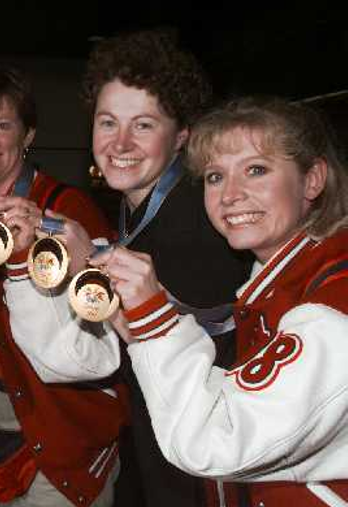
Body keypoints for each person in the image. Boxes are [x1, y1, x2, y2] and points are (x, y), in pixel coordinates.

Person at [92, 96, 348, 505]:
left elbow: (216, 438)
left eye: (256, 170)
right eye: (215, 177)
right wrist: (143, 332)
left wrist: (154, 320)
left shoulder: (333, 305)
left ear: (312, 179)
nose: (230, 195)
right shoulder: (279, 282)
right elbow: (241, 400)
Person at [67, 29, 250, 506]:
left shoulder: (200, 218)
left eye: (143, 125)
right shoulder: (141, 209)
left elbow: (209, 349)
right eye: (108, 123)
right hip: (162, 436)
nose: (120, 142)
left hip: (206, 454)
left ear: (182, 136)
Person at [0, 60, 128, 507]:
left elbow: (107, 334)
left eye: (1, 124)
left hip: (61, 422)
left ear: (28, 135)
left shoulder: (68, 210)